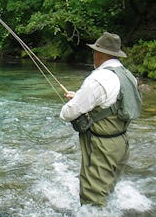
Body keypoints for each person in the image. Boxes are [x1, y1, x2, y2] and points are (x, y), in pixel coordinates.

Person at [59, 32, 142, 206]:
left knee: (93, 199)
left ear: (100, 54)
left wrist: (72, 103)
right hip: (121, 143)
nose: (93, 55)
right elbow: (111, 102)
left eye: (95, 51)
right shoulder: (128, 76)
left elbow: (68, 113)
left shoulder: (98, 78)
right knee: (108, 190)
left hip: (101, 147)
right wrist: (79, 97)